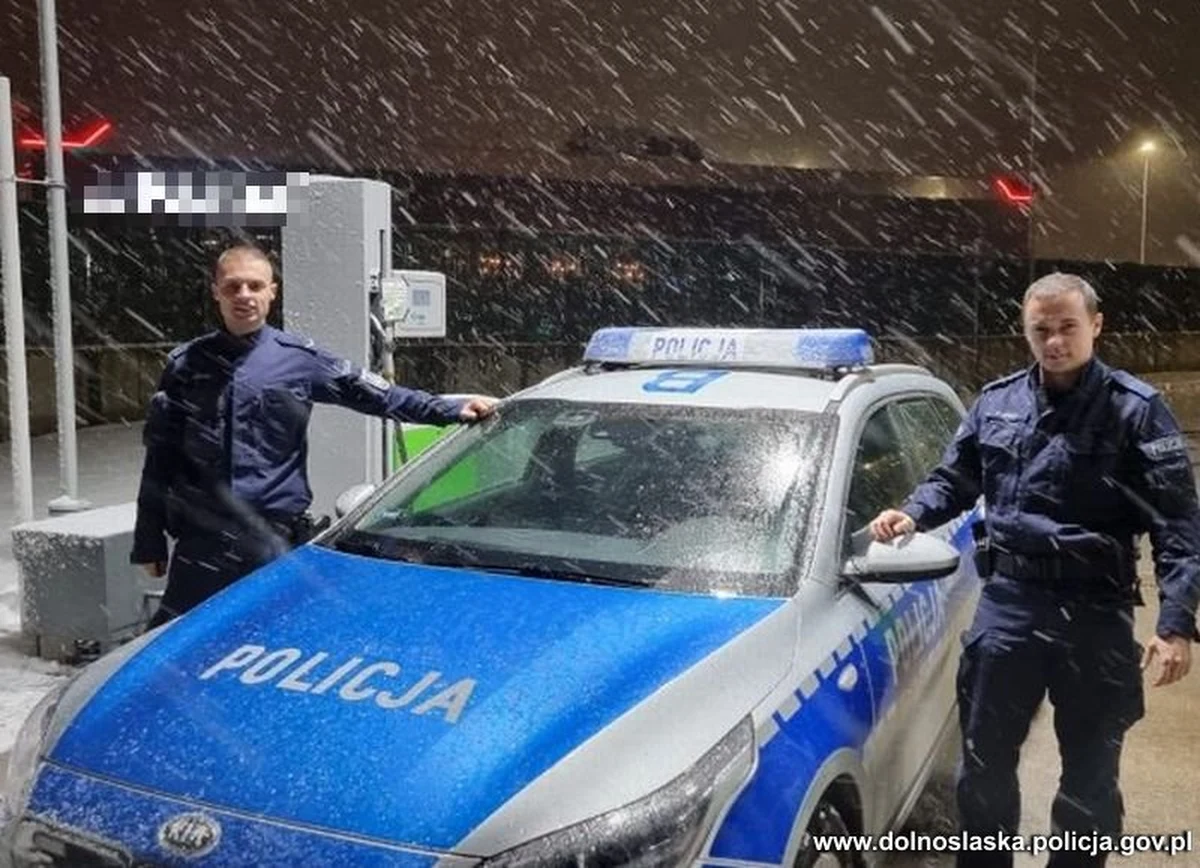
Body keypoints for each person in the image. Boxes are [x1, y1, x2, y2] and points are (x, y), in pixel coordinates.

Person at [869, 273, 1200, 867]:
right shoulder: (995, 403)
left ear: (1095, 325)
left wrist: (1175, 623)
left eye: (1067, 327)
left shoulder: (1137, 412)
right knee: (985, 769)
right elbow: (955, 478)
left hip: (1095, 614)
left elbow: (1178, 526)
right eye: (1040, 330)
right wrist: (911, 513)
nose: (1054, 341)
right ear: (1025, 331)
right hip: (1010, 606)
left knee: (1090, 779)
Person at [131, 242, 498, 628]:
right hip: (200, 543)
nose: (244, 296)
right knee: (169, 646)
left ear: (273, 291)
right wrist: (149, 539)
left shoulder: (299, 360)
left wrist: (448, 409)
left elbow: (378, 395)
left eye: (255, 286)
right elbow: (160, 458)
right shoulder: (186, 364)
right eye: (233, 286)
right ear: (215, 291)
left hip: (270, 541)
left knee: (276, 638)